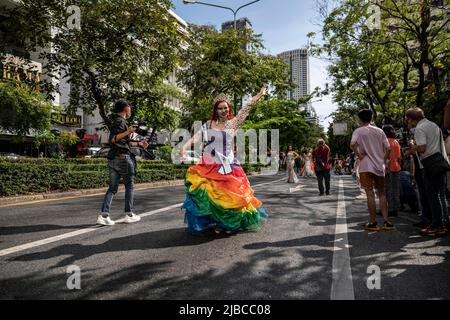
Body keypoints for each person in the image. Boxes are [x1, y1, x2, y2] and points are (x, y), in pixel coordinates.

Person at [179, 87, 268, 234]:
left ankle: (227, 223)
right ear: (216, 110)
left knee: (228, 197)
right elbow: (197, 137)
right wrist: (184, 147)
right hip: (208, 164)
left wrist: (259, 95)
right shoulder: (208, 124)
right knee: (207, 194)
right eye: (220, 108)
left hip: (227, 165)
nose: (223, 111)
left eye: (226, 108)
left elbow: (246, 108)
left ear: (229, 109)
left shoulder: (233, 123)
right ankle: (213, 222)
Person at [97, 99, 149, 226]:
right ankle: (129, 214)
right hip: (122, 158)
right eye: (129, 107)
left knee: (112, 188)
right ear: (125, 108)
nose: (130, 109)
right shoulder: (120, 122)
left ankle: (104, 215)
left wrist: (140, 144)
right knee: (129, 186)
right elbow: (113, 139)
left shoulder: (121, 122)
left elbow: (125, 142)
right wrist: (128, 131)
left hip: (114, 158)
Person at [405, 108, 449, 237]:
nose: (408, 122)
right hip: (440, 163)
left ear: (413, 119)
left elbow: (423, 148)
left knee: (434, 196)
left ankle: (437, 226)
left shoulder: (420, 128)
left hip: (430, 165)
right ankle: (443, 223)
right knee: (441, 195)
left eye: (408, 119)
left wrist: (412, 149)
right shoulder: (433, 125)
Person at [350, 109, 394, 231]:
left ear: (360, 119)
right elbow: (388, 148)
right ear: (371, 118)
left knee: (370, 193)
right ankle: (386, 222)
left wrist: (359, 155)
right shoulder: (380, 131)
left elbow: (352, 144)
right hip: (379, 166)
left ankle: (373, 222)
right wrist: (383, 159)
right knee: (382, 193)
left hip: (366, 166)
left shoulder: (358, 131)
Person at [383, 125, 401, 217]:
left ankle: (389, 209)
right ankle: (396, 209)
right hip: (396, 167)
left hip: (388, 168)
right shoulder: (396, 142)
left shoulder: (385, 142)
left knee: (388, 189)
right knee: (395, 189)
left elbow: (384, 156)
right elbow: (399, 157)